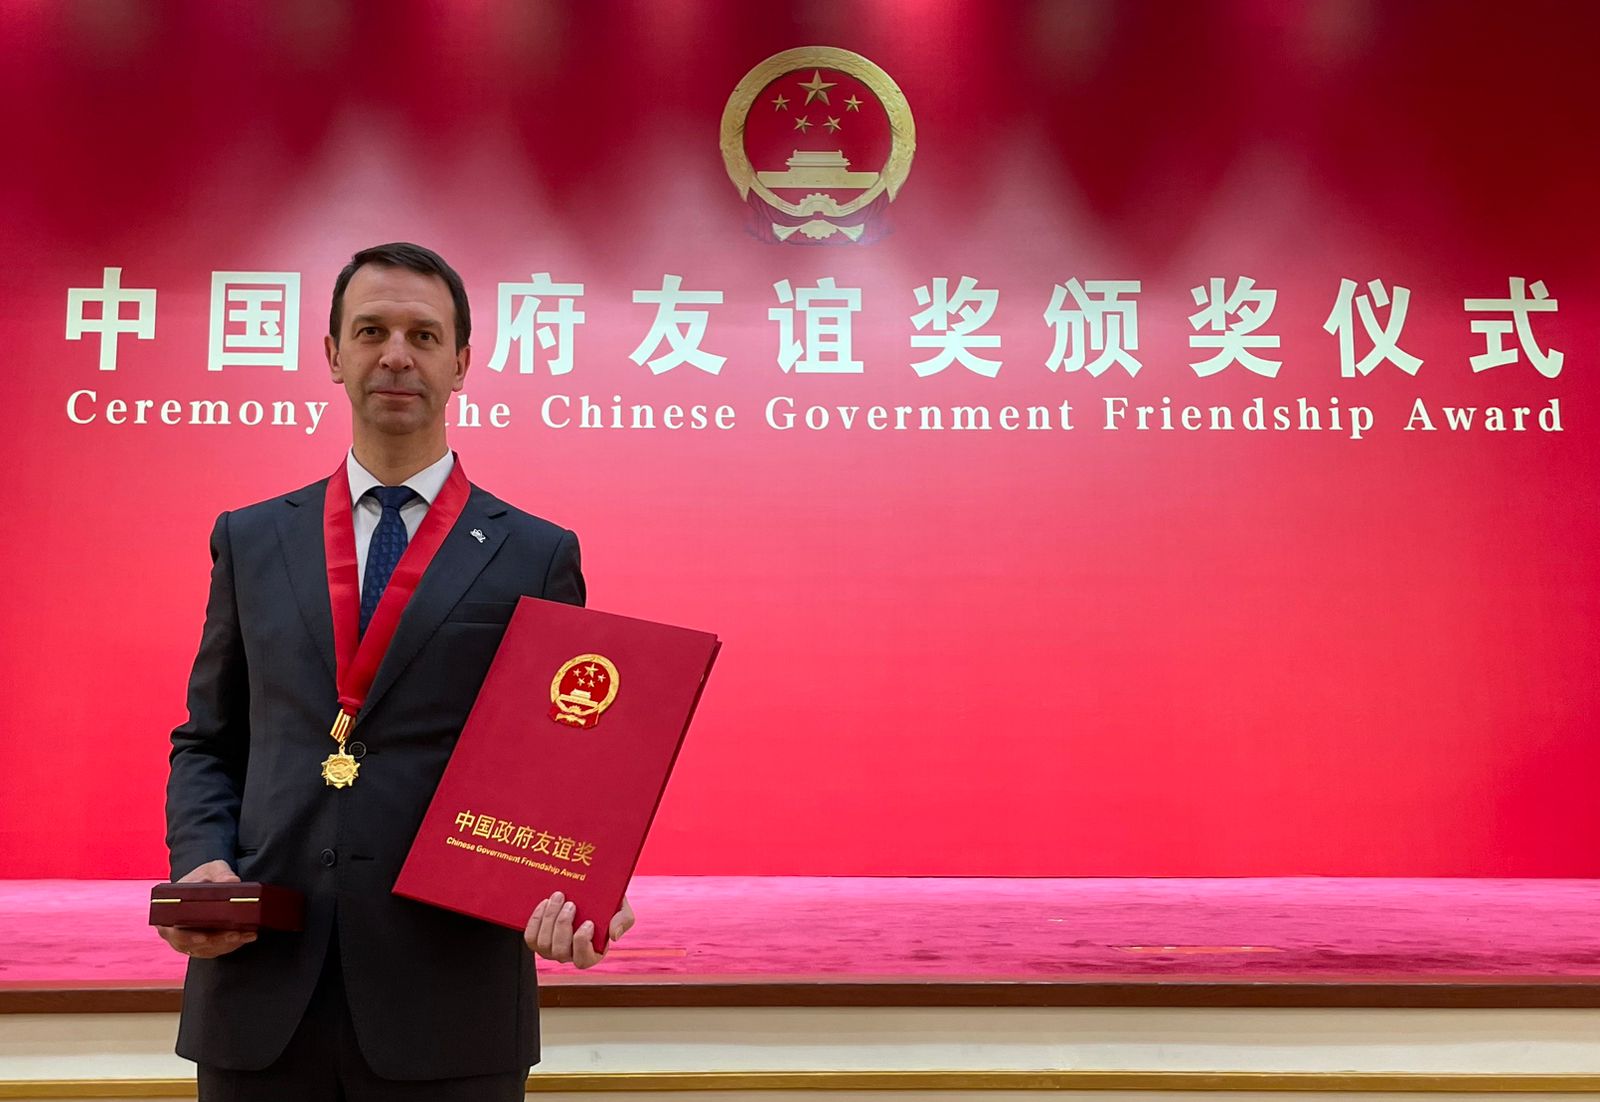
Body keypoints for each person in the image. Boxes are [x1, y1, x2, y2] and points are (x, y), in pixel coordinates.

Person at [160, 242, 633, 1100]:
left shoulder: (535, 554)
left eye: (423, 335)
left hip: (451, 998)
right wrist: (200, 863)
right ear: (333, 353)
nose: (396, 356)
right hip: (259, 986)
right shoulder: (252, 538)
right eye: (371, 331)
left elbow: (560, 767)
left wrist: (581, 882)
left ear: (461, 363)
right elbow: (208, 740)